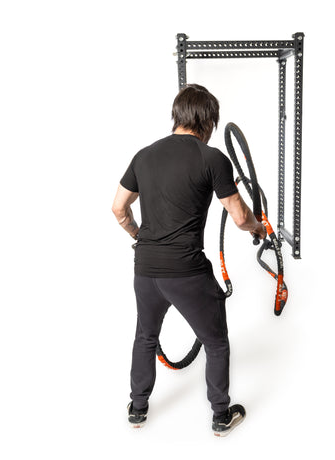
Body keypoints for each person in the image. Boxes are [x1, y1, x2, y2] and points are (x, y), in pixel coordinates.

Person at [112, 83, 266, 437]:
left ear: (177, 115)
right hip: (186, 271)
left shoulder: (143, 155)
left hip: (145, 268)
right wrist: (257, 229)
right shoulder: (211, 158)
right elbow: (240, 217)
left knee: (145, 337)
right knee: (216, 342)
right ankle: (220, 415)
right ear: (208, 120)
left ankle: (137, 409)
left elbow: (119, 208)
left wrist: (139, 236)